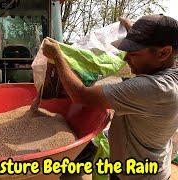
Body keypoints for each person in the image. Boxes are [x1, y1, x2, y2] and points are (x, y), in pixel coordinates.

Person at [42, 14, 178, 180]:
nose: (126, 58)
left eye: (133, 53)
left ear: (164, 53)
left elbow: (80, 95)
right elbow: (149, 52)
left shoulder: (152, 89)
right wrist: (131, 29)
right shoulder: (170, 73)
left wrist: (58, 56)